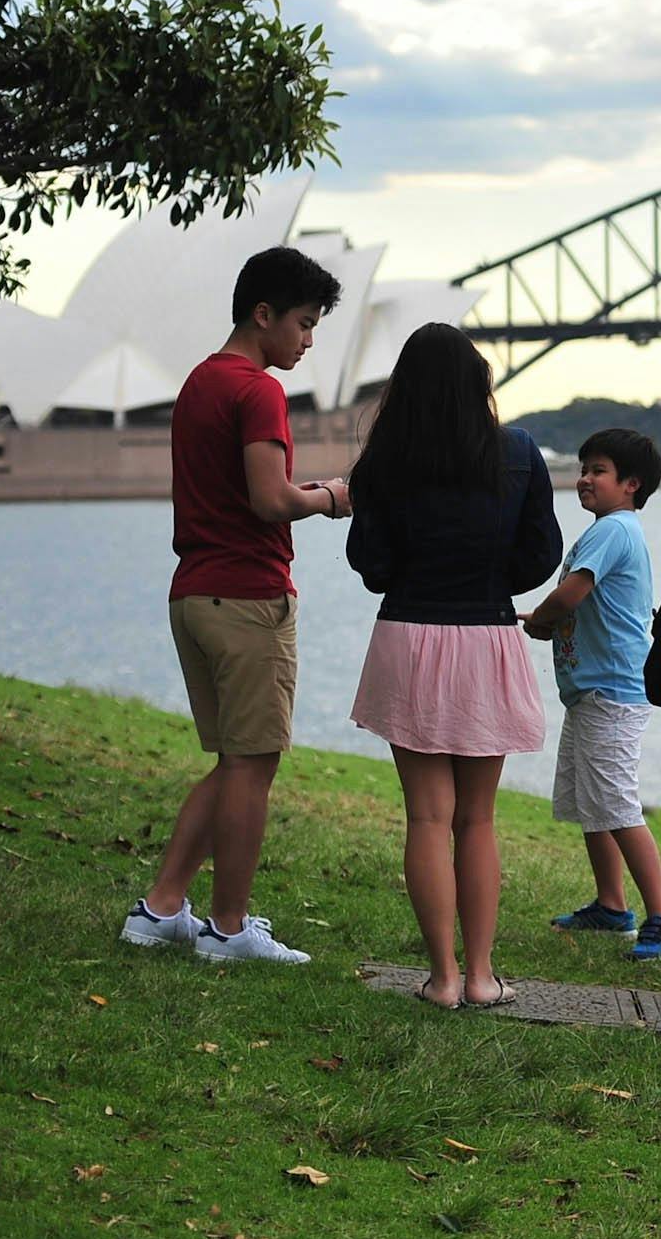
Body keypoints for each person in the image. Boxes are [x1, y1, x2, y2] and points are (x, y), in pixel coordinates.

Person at [121, 246, 347, 964]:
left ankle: (159, 910)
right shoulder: (257, 390)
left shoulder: (198, 382)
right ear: (264, 315)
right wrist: (333, 497)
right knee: (254, 766)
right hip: (248, 597)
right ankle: (228, 928)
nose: (308, 340)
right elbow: (269, 499)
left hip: (194, 593)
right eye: (305, 323)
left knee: (232, 763)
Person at [345, 324, 562, 1009]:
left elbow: (371, 567)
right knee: (477, 819)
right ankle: (480, 976)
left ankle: (439, 979)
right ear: (480, 385)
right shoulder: (519, 452)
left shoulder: (384, 461)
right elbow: (540, 556)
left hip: (408, 634)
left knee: (425, 819)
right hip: (486, 634)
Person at [524, 428, 661, 964]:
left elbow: (572, 591)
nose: (585, 478)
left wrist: (541, 622)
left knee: (615, 803)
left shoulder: (612, 530)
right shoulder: (612, 529)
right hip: (592, 690)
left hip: (611, 690)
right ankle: (611, 905)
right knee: (592, 803)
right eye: (585, 468)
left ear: (631, 485)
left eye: (599, 471)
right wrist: (546, 618)